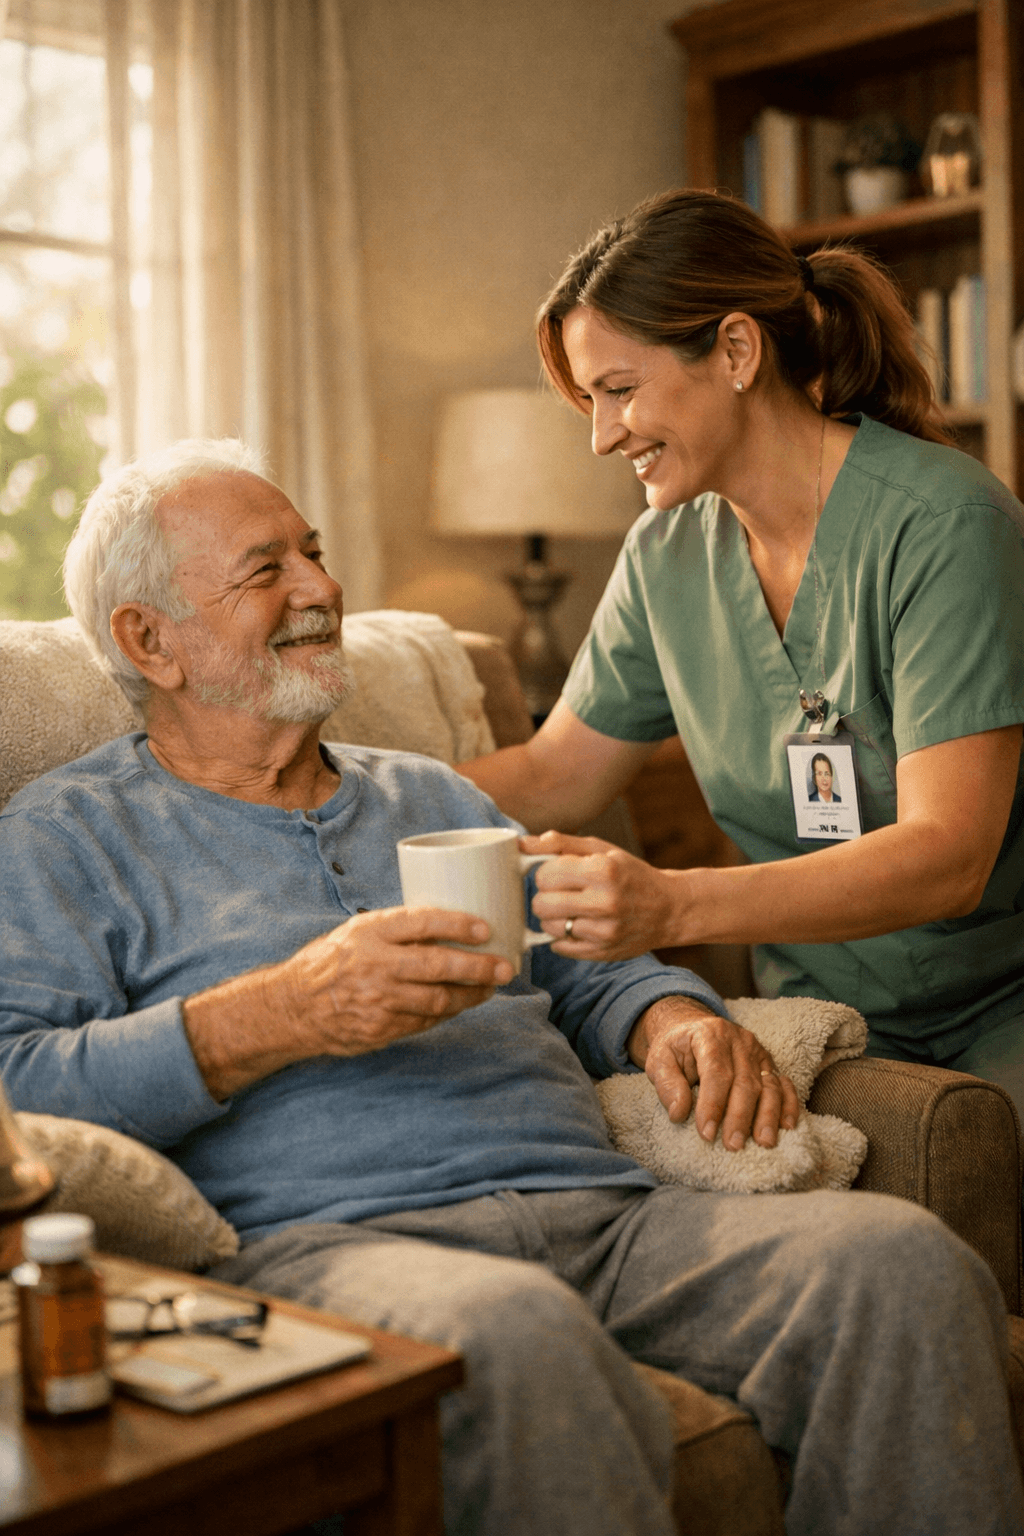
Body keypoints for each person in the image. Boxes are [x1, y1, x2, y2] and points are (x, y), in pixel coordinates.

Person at [1, 440, 1020, 1536]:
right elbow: (20, 1089)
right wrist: (276, 1013)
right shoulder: (66, 840)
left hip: (607, 1217)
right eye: (267, 571)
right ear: (148, 640)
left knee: (902, 1266)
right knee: (512, 1329)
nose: (323, 589)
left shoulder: (429, 794)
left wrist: (667, 1011)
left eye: (315, 552)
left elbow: (588, 959)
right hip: (337, 1248)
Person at [460, 187, 1024, 1138]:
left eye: (619, 390)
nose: (603, 436)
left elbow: (949, 859)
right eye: (591, 402)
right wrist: (347, 794)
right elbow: (555, 774)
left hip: (1003, 1004)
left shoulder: (946, 525)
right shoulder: (666, 556)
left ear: (734, 351)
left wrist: (669, 905)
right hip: (827, 1026)